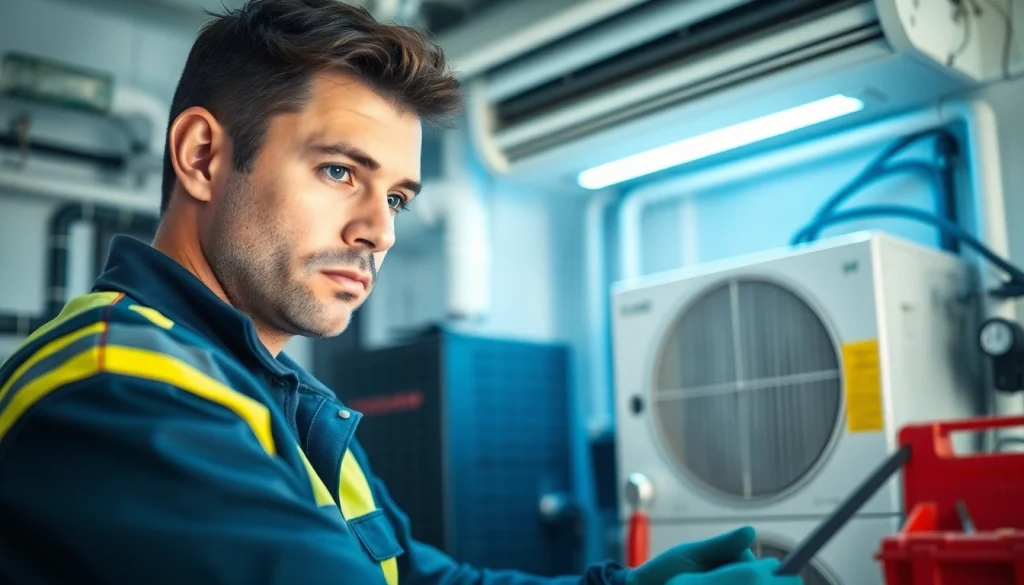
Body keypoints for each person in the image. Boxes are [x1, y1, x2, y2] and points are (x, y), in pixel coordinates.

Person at [0, 1, 802, 584]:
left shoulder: (277, 396)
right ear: (203, 155)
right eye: (338, 170)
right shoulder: (120, 389)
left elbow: (419, 579)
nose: (378, 231)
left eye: (396, 197)